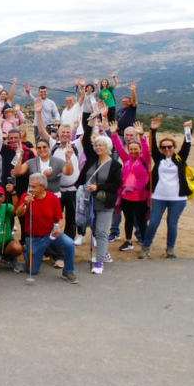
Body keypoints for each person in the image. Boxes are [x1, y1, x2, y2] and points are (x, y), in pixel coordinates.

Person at [140, 118, 193, 259]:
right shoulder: (159, 158)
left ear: (174, 148)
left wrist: (188, 129)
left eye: (170, 147)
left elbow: (187, 144)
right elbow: (152, 145)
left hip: (178, 198)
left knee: (172, 224)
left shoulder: (180, 158)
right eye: (164, 147)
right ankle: (146, 247)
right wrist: (153, 130)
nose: (167, 149)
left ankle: (170, 249)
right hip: (159, 197)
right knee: (153, 223)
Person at [77, 108, 122, 275]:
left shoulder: (115, 165)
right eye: (96, 145)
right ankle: (105, 254)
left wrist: (98, 187)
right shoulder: (92, 158)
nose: (97, 147)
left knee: (102, 232)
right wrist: (91, 121)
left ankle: (99, 262)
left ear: (107, 147)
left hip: (105, 201)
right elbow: (86, 141)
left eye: (100, 145)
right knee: (95, 230)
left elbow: (116, 185)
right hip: (89, 200)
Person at [16, 173, 78, 284]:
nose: (31, 189)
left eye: (34, 187)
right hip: (34, 238)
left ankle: (68, 271)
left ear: (43, 187)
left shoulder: (53, 198)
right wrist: (25, 203)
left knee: (69, 243)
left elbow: (60, 218)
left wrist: (58, 228)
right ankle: (29, 252)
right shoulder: (26, 196)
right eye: (30, 186)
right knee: (33, 271)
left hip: (51, 234)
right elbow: (19, 213)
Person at [112, 122, 151, 252]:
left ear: (140, 150)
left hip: (140, 196)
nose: (133, 151)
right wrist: (114, 134)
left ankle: (145, 243)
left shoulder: (144, 160)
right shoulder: (127, 159)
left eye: (136, 149)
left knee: (141, 220)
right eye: (131, 149)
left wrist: (142, 136)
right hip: (126, 196)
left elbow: (147, 150)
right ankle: (128, 241)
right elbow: (119, 147)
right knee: (128, 219)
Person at [0, 185, 24, 273]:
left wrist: (13, 193)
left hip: (5, 244)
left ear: (3, 198)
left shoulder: (7, 206)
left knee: (17, 248)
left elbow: (16, 209)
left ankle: (10, 257)